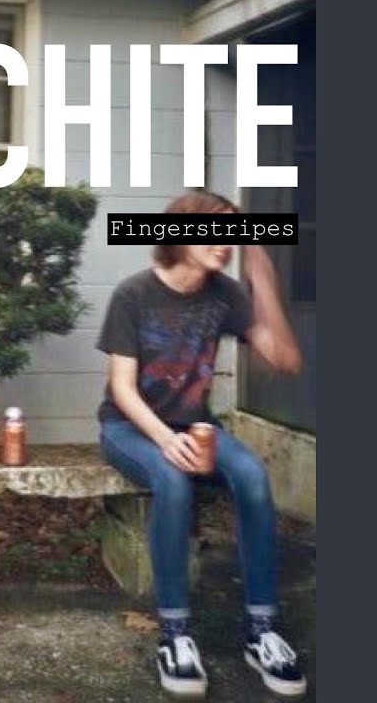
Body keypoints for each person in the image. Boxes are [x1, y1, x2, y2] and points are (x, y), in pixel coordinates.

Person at [96, 191, 307, 697]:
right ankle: (175, 634)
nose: (226, 243)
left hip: (195, 427)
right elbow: (122, 389)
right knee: (172, 481)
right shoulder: (133, 294)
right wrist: (164, 439)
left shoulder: (227, 295)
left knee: (252, 476)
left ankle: (261, 629)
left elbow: (286, 360)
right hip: (129, 427)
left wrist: (263, 282)